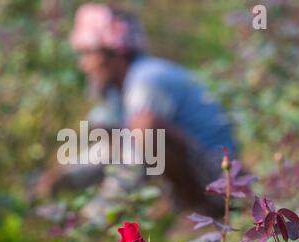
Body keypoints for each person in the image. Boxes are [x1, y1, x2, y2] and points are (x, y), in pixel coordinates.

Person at [34, 3, 237, 217]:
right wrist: (66, 176)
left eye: (87, 53)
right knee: (121, 131)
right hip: (202, 169)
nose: (83, 65)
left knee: (144, 128)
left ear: (114, 53)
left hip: (220, 175)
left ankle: (201, 211)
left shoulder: (146, 82)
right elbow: (115, 148)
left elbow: (133, 159)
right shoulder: (123, 89)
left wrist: (95, 215)